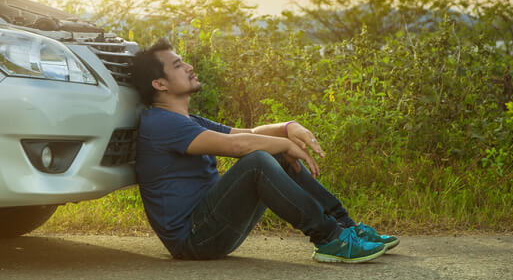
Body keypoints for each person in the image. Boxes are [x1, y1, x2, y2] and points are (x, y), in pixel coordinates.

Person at [130, 38, 399, 263]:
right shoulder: (160, 123)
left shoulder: (188, 120)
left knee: (269, 150)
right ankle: (330, 239)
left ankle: (347, 230)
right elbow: (237, 147)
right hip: (194, 239)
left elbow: (248, 134)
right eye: (178, 65)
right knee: (259, 160)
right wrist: (283, 144)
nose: (189, 67)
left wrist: (287, 128)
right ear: (160, 84)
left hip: (210, 227)